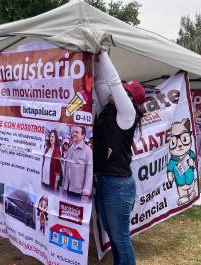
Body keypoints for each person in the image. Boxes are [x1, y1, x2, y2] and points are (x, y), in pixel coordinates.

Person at [93, 52, 145, 265]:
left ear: (131, 100)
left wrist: (102, 53)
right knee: (113, 236)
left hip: (118, 186)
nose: (118, 90)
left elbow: (112, 82)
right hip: (105, 182)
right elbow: (99, 83)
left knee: (121, 239)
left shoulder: (127, 115)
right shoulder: (110, 110)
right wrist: (93, 60)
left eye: (125, 91)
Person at [61, 125, 93, 202]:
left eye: (77, 132)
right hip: (68, 190)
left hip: (79, 193)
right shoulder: (70, 148)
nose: (74, 134)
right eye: (73, 132)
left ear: (83, 135)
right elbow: (66, 169)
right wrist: (64, 187)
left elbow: (89, 173)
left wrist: (86, 193)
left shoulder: (88, 151)